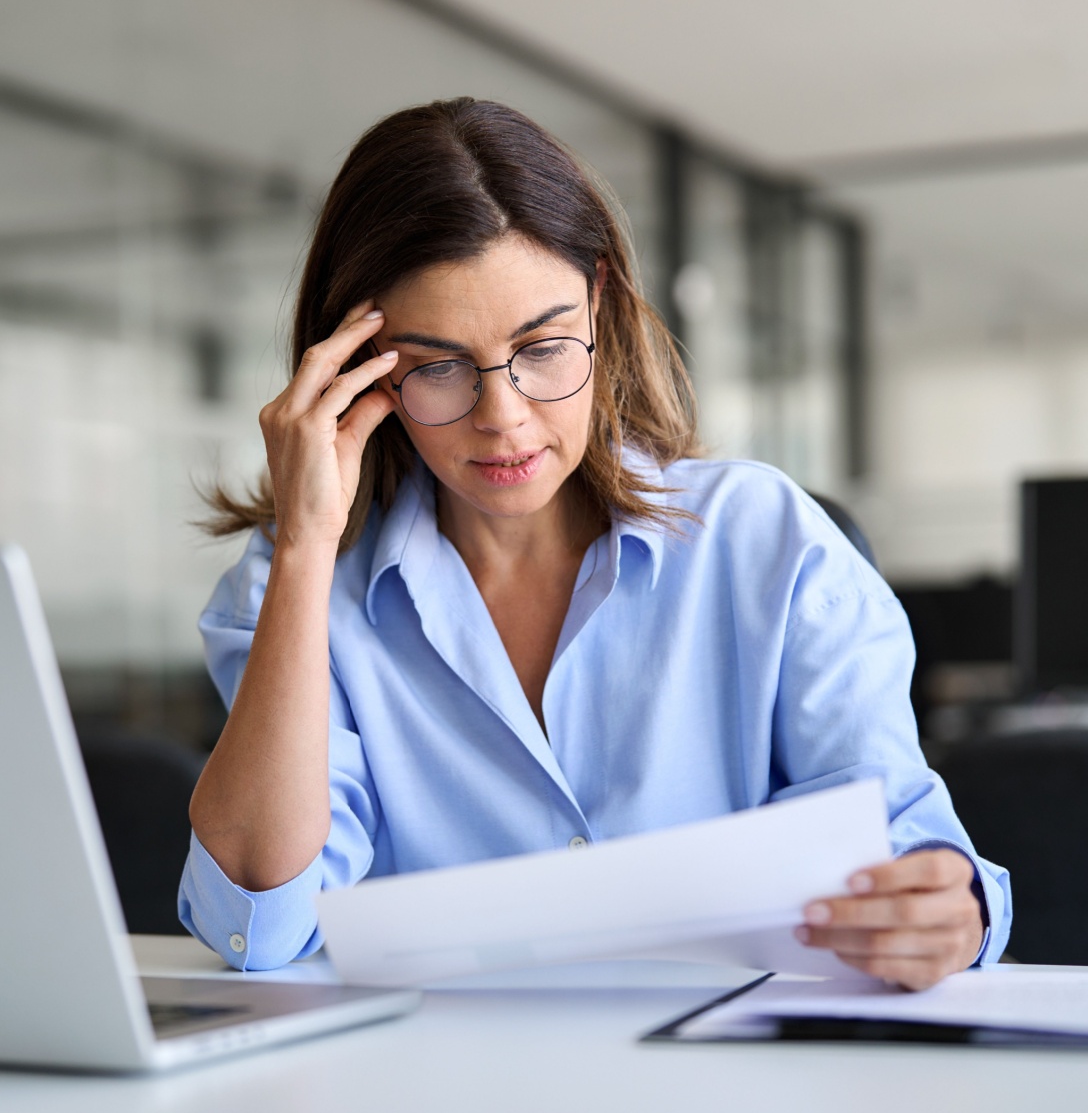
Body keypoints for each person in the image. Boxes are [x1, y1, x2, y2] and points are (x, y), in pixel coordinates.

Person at [180, 98, 1010, 990]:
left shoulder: (766, 544)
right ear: (354, 371)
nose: (504, 420)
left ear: (600, 306)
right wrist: (307, 546)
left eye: (541, 347)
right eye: (436, 366)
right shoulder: (292, 587)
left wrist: (946, 907)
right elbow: (261, 918)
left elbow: (904, 841)